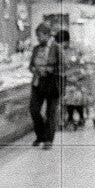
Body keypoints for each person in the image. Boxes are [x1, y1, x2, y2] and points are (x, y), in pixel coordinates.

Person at [28, 22, 61, 150]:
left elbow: (63, 65)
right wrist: (34, 69)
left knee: (51, 112)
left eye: (41, 36)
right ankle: (40, 135)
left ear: (47, 35)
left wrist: (49, 70)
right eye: (37, 37)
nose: (39, 39)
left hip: (52, 83)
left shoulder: (56, 48)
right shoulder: (36, 49)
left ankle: (48, 139)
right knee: (34, 109)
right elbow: (30, 65)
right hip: (37, 83)